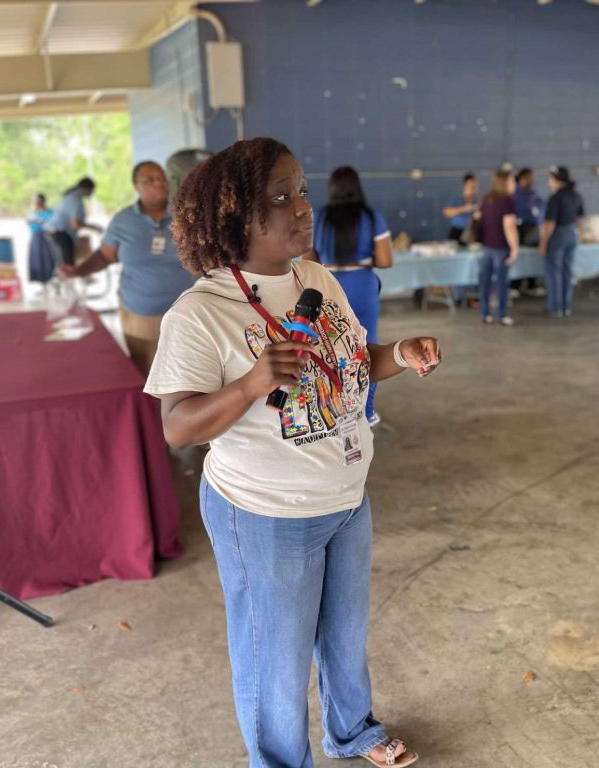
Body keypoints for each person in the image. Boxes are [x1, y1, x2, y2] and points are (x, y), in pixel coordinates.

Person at [146, 137, 440, 768]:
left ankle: (351, 731)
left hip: (344, 498)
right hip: (266, 512)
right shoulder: (199, 313)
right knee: (273, 661)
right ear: (236, 217)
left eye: (302, 190)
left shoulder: (317, 278)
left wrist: (399, 355)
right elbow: (176, 426)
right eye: (280, 197)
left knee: (344, 637)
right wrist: (252, 383)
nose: (302, 207)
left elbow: (351, 362)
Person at [59, 161, 194, 378]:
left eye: (161, 178)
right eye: (150, 180)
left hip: (187, 315)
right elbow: (105, 255)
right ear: (136, 186)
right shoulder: (123, 221)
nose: (159, 183)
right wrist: (78, 271)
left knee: (186, 378)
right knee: (147, 378)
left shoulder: (186, 215)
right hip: (140, 316)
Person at [305, 166, 393, 426]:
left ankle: (330, 410)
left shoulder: (318, 218)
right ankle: (366, 412)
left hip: (327, 285)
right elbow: (386, 260)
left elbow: (309, 260)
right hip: (362, 283)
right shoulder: (371, 217)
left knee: (328, 346)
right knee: (367, 347)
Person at [474, 169, 519, 325]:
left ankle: (485, 313)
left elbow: (477, 218)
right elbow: (509, 227)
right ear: (505, 183)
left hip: (486, 247)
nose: (514, 184)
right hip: (501, 247)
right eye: (512, 181)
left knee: (485, 281)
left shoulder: (486, 199)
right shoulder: (507, 201)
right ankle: (501, 314)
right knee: (501, 282)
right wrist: (515, 247)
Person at [539, 166, 584, 318]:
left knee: (554, 272)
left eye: (550, 179)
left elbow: (550, 222)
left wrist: (544, 241)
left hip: (558, 234)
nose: (549, 182)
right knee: (567, 271)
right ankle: (566, 306)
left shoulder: (555, 198)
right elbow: (580, 219)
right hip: (572, 233)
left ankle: (555, 307)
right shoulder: (576, 196)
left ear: (557, 180)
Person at [44, 177, 100, 268]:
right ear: (87, 188)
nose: (92, 193)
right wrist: (94, 227)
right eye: (92, 190)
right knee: (67, 264)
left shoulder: (72, 196)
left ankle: (67, 277)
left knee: (66, 262)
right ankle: (68, 278)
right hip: (58, 232)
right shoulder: (75, 199)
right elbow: (76, 224)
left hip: (56, 232)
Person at [513, 168, 545, 297]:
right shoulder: (514, 194)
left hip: (533, 229)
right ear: (520, 179)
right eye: (527, 178)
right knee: (518, 256)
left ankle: (532, 284)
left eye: (532, 178)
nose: (531, 180)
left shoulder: (534, 195)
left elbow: (541, 210)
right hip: (518, 228)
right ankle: (514, 285)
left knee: (532, 256)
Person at [442, 173, 479, 241]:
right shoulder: (457, 200)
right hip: (457, 231)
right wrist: (464, 209)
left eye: (474, 186)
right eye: (471, 186)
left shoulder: (477, 202)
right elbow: (446, 212)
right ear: (465, 185)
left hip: (471, 233)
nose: (473, 188)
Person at [26, 193, 54, 284]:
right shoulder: (31, 213)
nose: (36, 203)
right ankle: (41, 282)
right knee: (37, 258)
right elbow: (29, 223)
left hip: (46, 236)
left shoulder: (50, 212)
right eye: (35, 201)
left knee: (48, 258)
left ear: (43, 201)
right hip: (35, 236)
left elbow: (49, 223)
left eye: (38, 200)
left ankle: (50, 279)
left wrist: (38, 222)